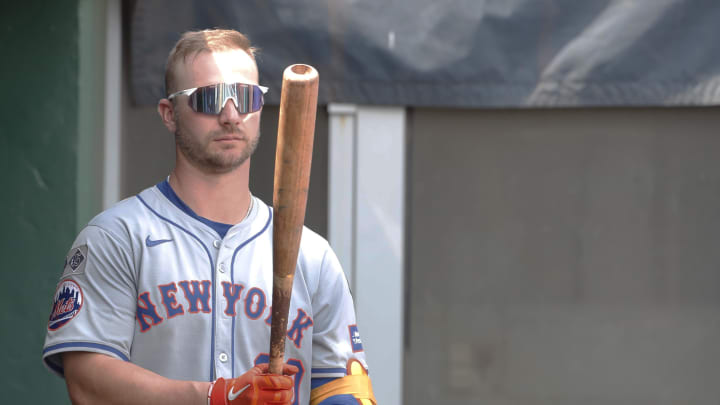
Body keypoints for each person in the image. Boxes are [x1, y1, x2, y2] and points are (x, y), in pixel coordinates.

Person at [42, 28, 376, 405]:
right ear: (169, 114)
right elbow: (88, 383)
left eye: (246, 97)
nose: (231, 115)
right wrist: (216, 397)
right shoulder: (117, 237)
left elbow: (342, 387)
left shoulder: (312, 256)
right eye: (210, 98)